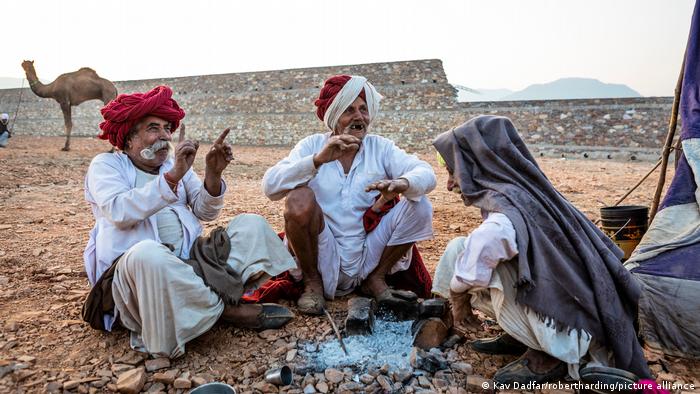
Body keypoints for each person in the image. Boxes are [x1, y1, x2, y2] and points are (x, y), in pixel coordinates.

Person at [431, 115, 650, 384]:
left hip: (572, 327)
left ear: (476, 165)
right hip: (583, 313)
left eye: (453, 171)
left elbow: (484, 248)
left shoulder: (504, 215)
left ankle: (550, 355)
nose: (450, 183)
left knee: (474, 259)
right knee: (461, 249)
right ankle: (521, 336)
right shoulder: (528, 193)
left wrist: (458, 300)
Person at [83, 85, 297, 358]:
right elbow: (119, 211)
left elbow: (205, 211)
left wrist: (213, 174)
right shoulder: (107, 165)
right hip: (141, 273)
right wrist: (172, 177)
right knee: (148, 255)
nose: (163, 136)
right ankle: (225, 308)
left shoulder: (172, 164)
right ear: (128, 139)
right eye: (153, 128)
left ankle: (203, 307)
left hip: (192, 262)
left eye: (166, 128)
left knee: (251, 225)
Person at [262, 75, 436, 315]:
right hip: (325, 251)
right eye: (349, 110)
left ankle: (376, 279)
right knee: (298, 199)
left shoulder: (380, 147)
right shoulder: (312, 146)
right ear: (333, 117)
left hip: (369, 251)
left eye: (363, 109)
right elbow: (270, 186)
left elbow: (426, 173)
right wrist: (317, 160)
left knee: (420, 205)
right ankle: (312, 283)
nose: (359, 117)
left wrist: (402, 183)